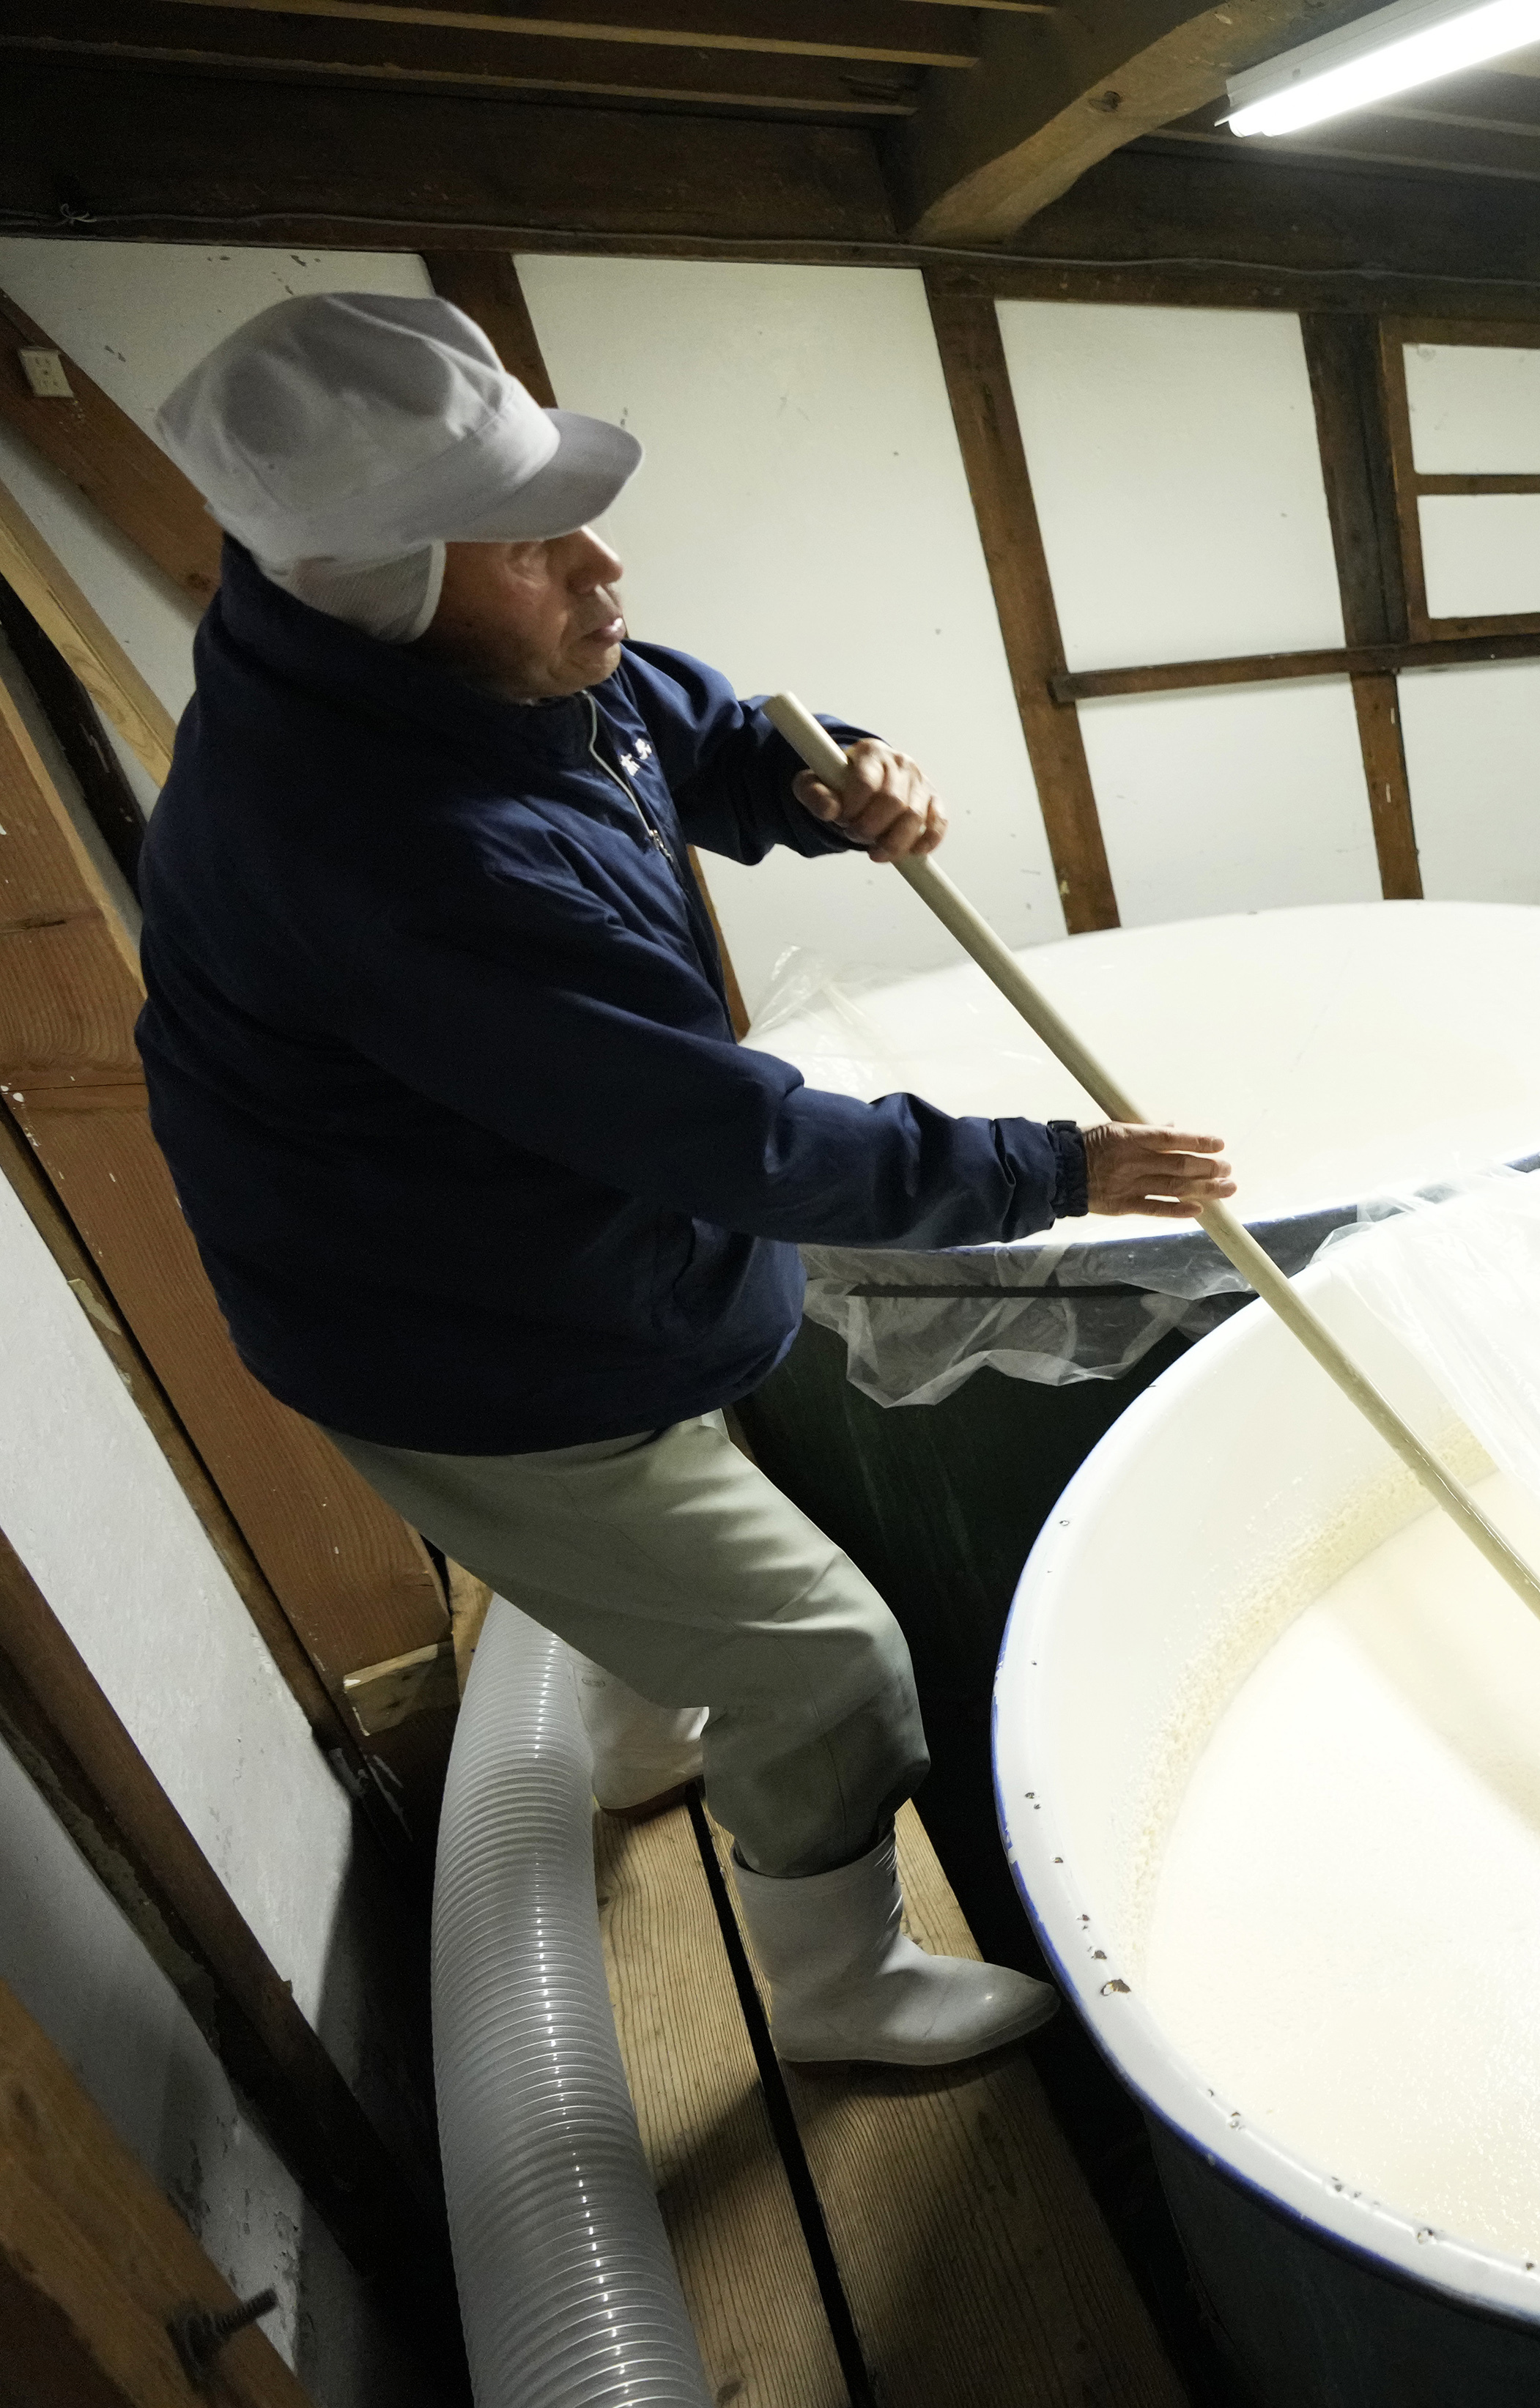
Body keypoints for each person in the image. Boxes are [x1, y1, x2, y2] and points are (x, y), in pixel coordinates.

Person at [135, 293, 1229, 2069]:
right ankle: (839, 1987)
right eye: (530, 539)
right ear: (382, 583)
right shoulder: (377, 852)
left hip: (554, 1253)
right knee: (831, 1662)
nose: (600, 562)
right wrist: (1061, 1163)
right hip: (462, 1343)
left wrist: (834, 777)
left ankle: (646, 1725)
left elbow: (693, 728)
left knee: (688, 1466)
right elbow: (741, 1141)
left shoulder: (476, 666)